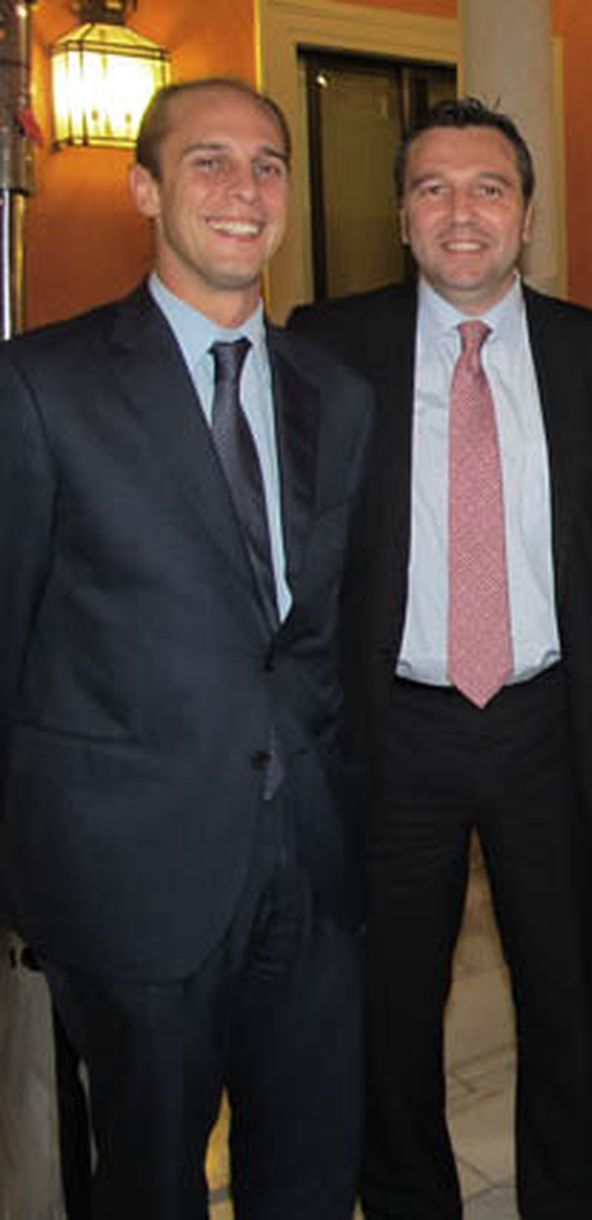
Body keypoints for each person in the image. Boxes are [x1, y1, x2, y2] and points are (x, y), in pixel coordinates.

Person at [0, 78, 373, 1215]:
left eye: (267, 164)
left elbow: (319, 635)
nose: (244, 189)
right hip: (131, 875)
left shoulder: (336, 393)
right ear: (144, 187)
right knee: (149, 1180)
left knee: (309, 1172)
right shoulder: (41, 386)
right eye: (208, 161)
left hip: (307, 870)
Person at [289, 98, 592, 1218]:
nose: (461, 211)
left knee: (559, 997)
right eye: (433, 187)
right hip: (395, 726)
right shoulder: (327, 347)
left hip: (546, 716)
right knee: (391, 1005)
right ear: (400, 214)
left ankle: (567, 1199)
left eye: (488, 187)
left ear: (526, 214)